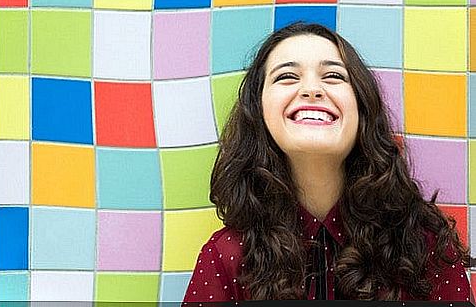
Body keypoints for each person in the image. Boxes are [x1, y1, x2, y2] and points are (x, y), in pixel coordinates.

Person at [182, 22, 471, 302]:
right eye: (286, 77)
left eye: (333, 76)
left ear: (362, 108)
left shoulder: (425, 245)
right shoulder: (225, 256)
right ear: (258, 112)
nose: (311, 89)